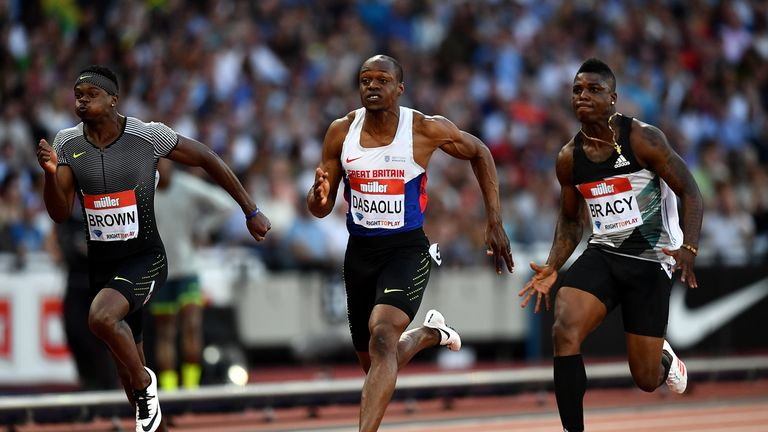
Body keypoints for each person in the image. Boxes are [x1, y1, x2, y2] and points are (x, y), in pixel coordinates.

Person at [36, 65, 270, 432]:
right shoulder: (67, 143)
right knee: (127, 378)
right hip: (103, 266)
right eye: (77, 94)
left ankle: (148, 385)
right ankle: (148, 403)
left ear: (113, 99)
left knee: (101, 319)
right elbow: (60, 212)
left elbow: (207, 156)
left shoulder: (147, 136)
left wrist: (250, 209)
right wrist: (51, 175)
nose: (81, 100)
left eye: (90, 94)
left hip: (145, 258)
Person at [307, 54, 514, 432]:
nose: (372, 85)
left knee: (383, 338)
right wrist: (318, 196)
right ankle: (428, 335)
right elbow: (320, 207)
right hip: (360, 255)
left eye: (381, 80)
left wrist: (494, 221)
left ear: (399, 88)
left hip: (407, 250)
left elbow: (480, 152)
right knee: (376, 363)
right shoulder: (341, 131)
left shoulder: (423, 129)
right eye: (365, 79)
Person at [518, 58, 703, 432]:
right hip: (604, 251)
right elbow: (572, 219)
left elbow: (690, 191)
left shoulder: (643, 139)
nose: (583, 96)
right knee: (564, 328)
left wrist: (690, 247)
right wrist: (554, 264)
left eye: (593, 90)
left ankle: (663, 360)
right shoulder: (569, 158)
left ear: (613, 98)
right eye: (577, 90)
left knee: (646, 379)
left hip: (652, 258)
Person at [150, 159, 236, 391]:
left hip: (187, 269)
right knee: (165, 333)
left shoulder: (186, 186)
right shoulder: (144, 191)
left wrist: (202, 228)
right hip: (160, 273)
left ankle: (190, 387)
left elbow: (226, 205)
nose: (161, 169)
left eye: (165, 163)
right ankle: (168, 390)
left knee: (191, 327)